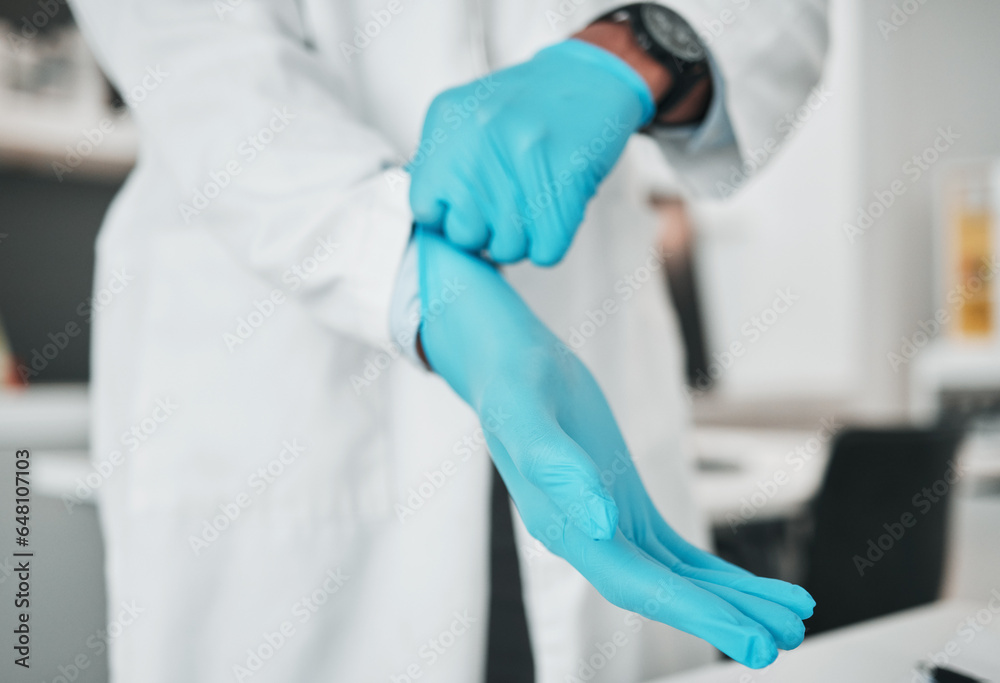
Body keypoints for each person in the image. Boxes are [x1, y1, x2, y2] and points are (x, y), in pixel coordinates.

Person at [66, 0, 828, 681]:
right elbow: (203, 64)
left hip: (597, 332)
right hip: (289, 372)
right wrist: (421, 283)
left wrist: (638, 48)